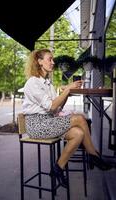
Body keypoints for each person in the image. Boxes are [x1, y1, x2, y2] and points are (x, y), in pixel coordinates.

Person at [22, 48, 112, 188]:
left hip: (49, 121)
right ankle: (93, 155)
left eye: (52, 59)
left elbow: (57, 108)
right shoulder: (33, 82)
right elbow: (51, 106)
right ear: (39, 62)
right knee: (80, 119)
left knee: (79, 133)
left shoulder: (48, 84)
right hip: (37, 125)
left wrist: (66, 94)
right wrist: (68, 89)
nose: (53, 62)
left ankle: (58, 168)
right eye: (49, 59)